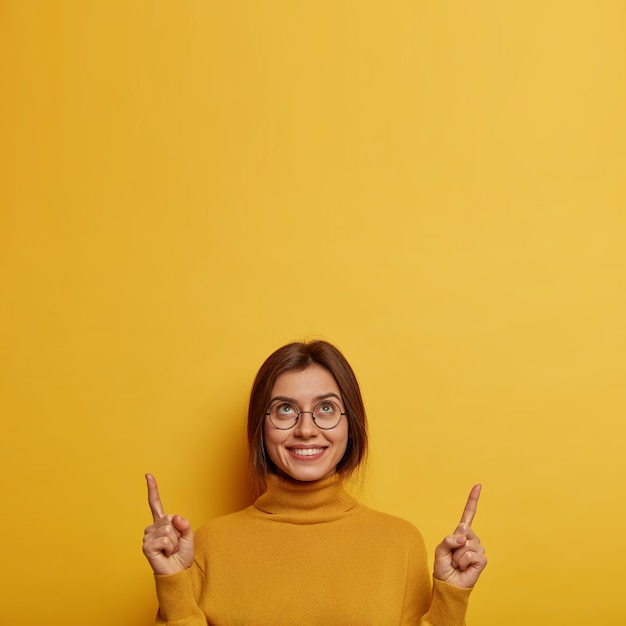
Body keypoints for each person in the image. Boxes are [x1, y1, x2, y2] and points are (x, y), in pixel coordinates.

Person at [142, 340, 487, 625]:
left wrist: (449, 600)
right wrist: (173, 587)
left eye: (325, 408)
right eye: (285, 410)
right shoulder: (209, 546)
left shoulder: (401, 543)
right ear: (261, 427)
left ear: (349, 423)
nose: (306, 429)